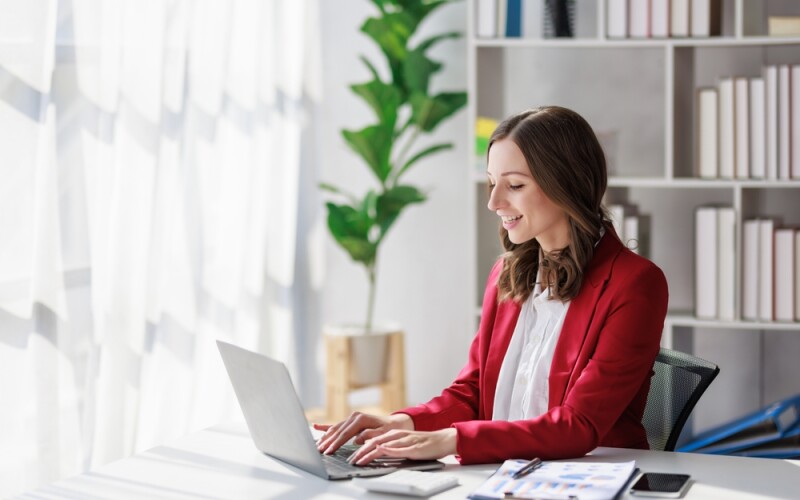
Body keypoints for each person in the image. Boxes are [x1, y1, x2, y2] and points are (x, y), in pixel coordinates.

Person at [315, 106, 668, 465]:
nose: (494, 202)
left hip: (588, 476)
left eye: (514, 185)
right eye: (491, 183)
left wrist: (451, 440)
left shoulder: (635, 284)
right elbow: (473, 390)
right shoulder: (507, 275)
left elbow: (578, 425)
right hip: (501, 474)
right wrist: (400, 422)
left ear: (567, 184)